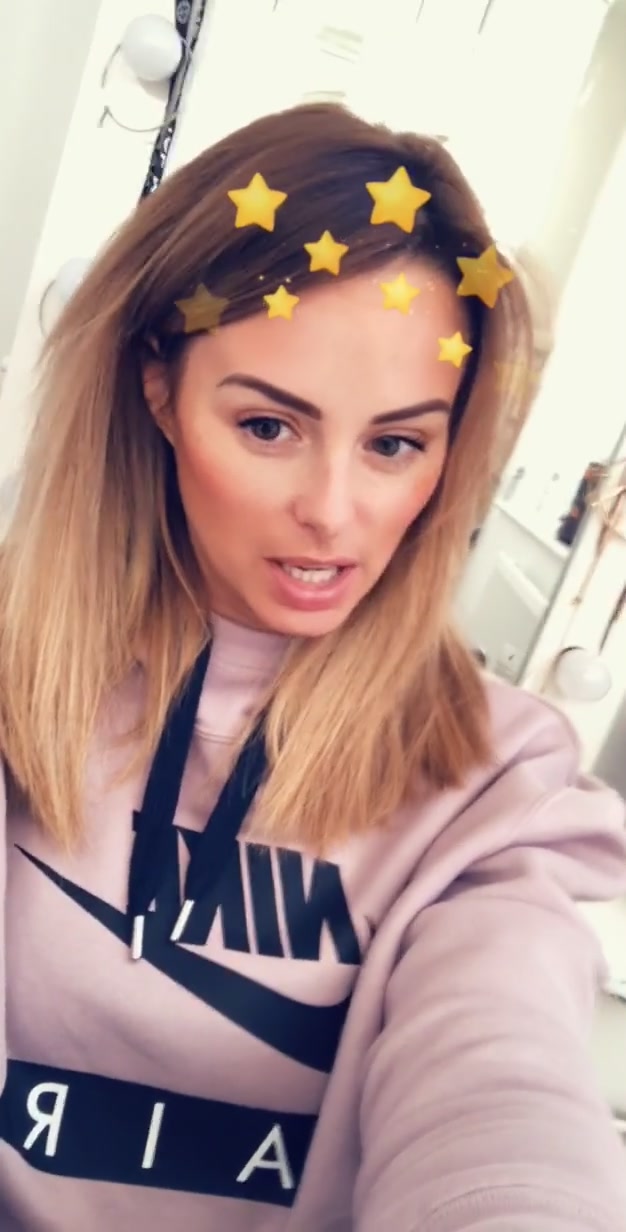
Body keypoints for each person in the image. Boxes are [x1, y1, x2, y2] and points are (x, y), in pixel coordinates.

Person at [0, 102, 625, 1232]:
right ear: (158, 389)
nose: (332, 513)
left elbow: (501, 1087)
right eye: (269, 427)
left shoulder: (488, 781)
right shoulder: (16, 673)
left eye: (394, 443)